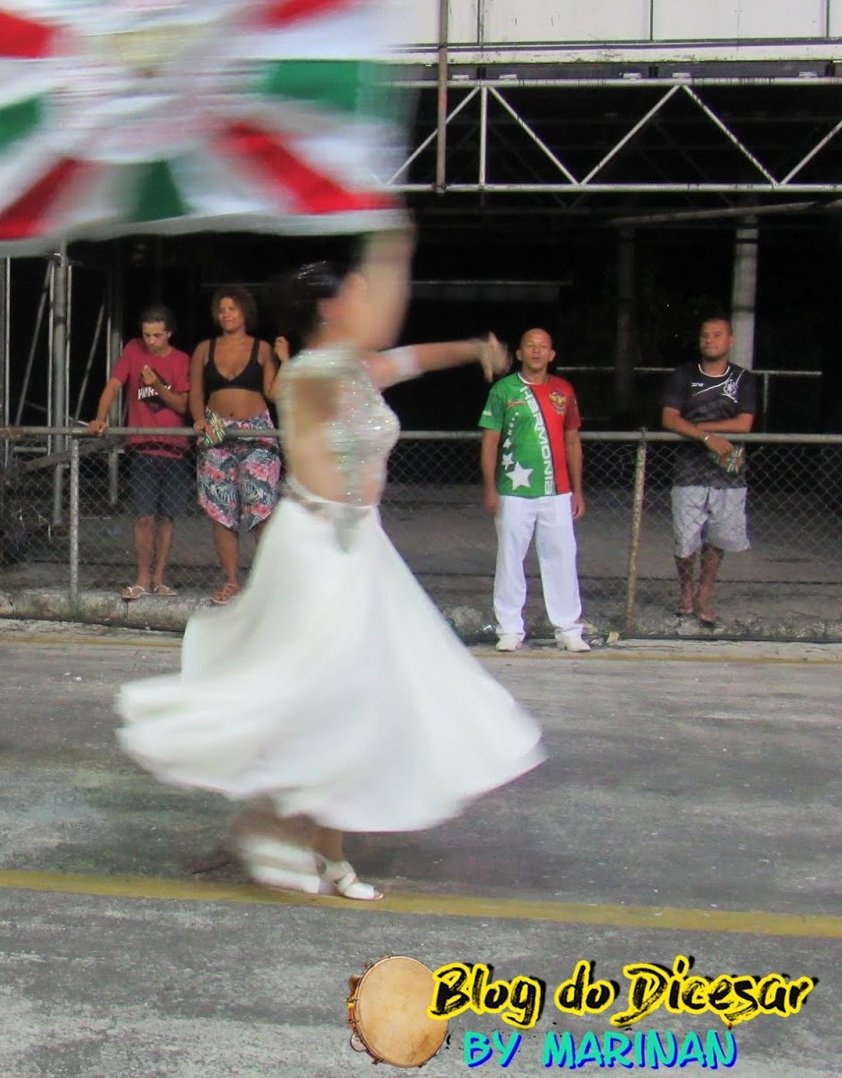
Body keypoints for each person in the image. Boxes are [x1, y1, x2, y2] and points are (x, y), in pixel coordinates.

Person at [117, 235, 545, 902]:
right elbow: (379, 339)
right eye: (358, 295)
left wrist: (471, 348)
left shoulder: (357, 370)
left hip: (361, 546)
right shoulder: (309, 375)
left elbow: (412, 356)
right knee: (322, 695)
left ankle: (329, 850)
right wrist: (393, 242)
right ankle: (271, 820)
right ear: (330, 310)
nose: (369, 304)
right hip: (314, 546)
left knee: (369, 695)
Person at [479, 328, 590, 653]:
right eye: (530, 345)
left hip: (557, 491)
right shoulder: (504, 390)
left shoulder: (563, 390)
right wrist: (490, 487)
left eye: (543, 346)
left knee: (562, 557)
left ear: (552, 354)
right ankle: (509, 628)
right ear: (519, 353)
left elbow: (572, 441)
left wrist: (578, 490)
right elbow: (490, 442)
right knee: (510, 558)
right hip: (513, 490)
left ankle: (568, 628)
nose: (537, 351)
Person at [87, 306, 191, 600]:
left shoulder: (181, 360)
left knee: (166, 518)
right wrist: (100, 417)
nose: (151, 341)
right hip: (143, 447)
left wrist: (156, 384)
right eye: (147, 335)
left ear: (169, 333)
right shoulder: (134, 349)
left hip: (174, 448)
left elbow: (183, 405)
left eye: (157, 335)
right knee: (144, 516)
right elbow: (113, 385)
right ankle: (143, 577)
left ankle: (159, 578)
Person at [660, 316, 757, 628]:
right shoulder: (684, 375)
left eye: (717, 335)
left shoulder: (743, 379)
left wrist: (700, 428)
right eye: (705, 335)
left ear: (730, 340)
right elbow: (670, 418)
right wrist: (705, 438)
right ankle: (686, 589)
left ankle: (704, 594)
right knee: (685, 538)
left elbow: (744, 423)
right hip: (688, 470)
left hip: (728, 472)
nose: (710, 340)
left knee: (717, 538)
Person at [188, 286, 281, 605]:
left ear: (245, 312)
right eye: (222, 309)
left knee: (261, 507)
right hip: (216, 431)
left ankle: (269, 582)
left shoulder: (261, 348)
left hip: (255, 432)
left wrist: (285, 361)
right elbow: (196, 391)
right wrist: (199, 419)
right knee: (221, 509)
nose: (226, 314)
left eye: (232, 308)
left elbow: (274, 393)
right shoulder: (205, 348)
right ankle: (231, 582)